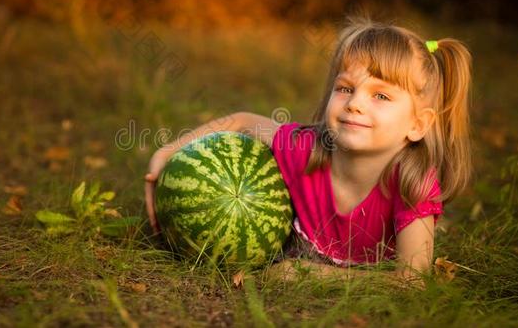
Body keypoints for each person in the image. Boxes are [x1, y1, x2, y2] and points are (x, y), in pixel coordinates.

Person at [144, 16, 472, 285]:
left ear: (418, 124)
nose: (355, 104)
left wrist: (307, 274)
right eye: (345, 88)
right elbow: (243, 122)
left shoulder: (413, 184)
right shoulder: (308, 150)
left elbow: (411, 282)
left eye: (381, 96)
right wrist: (168, 151)